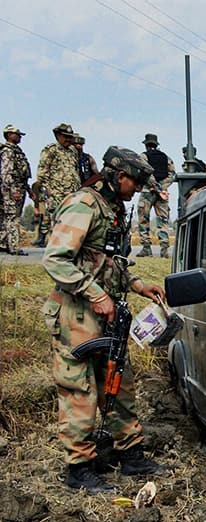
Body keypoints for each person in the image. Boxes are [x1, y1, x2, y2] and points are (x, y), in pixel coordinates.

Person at [41, 146, 167, 493]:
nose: (138, 190)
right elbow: (55, 260)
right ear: (119, 176)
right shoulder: (83, 204)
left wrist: (139, 285)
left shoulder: (112, 209)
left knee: (117, 381)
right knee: (79, 390)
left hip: (107, 314)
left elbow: (109, 263)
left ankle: (131, 454)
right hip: (76, 316)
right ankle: (79, 469)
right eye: (136, 183)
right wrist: (96, 294)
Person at [36, 123, 81, 247]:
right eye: (65, 136)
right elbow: (42, 173)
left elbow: (75, 170)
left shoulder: (73, 151)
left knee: (73, 223)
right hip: (56, 194)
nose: (68, 139)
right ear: (57, 136)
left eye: (70, 137)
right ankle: (55, 251)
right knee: (57, 223)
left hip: (73, 194)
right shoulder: (50, 150)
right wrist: (47, 191)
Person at [136, 133, 175, 258]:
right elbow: (172, 174)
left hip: (148, 191)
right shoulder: (166, 157)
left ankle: (146, 248)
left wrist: (155, 187)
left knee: (143, 219)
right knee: (163, 221)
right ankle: (164, 249)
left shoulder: (143, 156)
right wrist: (162, 188)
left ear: (147, 145)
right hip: (162, 194)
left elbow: (145, 173)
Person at [0, 124, 33, 255]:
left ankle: (3, 244)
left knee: (7, 217)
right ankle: (14, 247)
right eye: (17, 134)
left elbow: (22, 175)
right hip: (10, 190)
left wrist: (29, 191)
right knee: (12, 218)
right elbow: (6, 173)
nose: (20, 137)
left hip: (19, 188)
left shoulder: (17, 151)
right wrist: (13, 191)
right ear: (9, 135)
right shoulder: (7, 151)